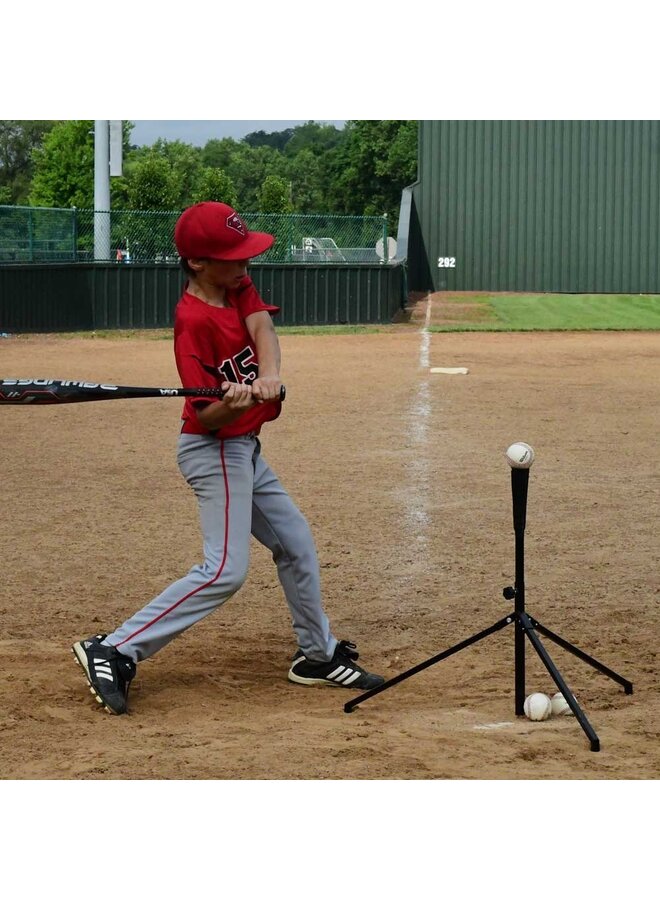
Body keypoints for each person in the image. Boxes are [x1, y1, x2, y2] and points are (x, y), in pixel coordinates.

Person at [72, 201, 384, 715]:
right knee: (223, 571)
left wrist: (267, 374)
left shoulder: (236, 285)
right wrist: (229, 401)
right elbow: (206, 417)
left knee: (297, 544)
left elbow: (263, 329)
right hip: (213, 450)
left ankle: (317, 656)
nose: (246, 264)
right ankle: (116, 649)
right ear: (197, 262)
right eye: (233, 256)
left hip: (244, 450)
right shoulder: (191, 321)